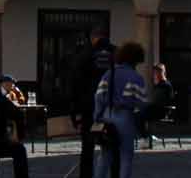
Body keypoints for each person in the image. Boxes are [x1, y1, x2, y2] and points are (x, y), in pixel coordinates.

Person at [92, 41, 150, 178]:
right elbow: (141, 102)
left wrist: (97, 116)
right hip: (125, 117)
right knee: (126, 157)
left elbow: (98, 97)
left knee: (105, 156)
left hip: (107, 114)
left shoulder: (108, 74)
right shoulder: (136, 78)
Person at [63, 32, 114, 178]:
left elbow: (75, 85)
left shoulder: (84, 56)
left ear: (93, 40)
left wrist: (75, 113)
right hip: (111, 107)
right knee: (112, 146)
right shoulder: (116, 55)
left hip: (88, 107)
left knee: (87, 147)